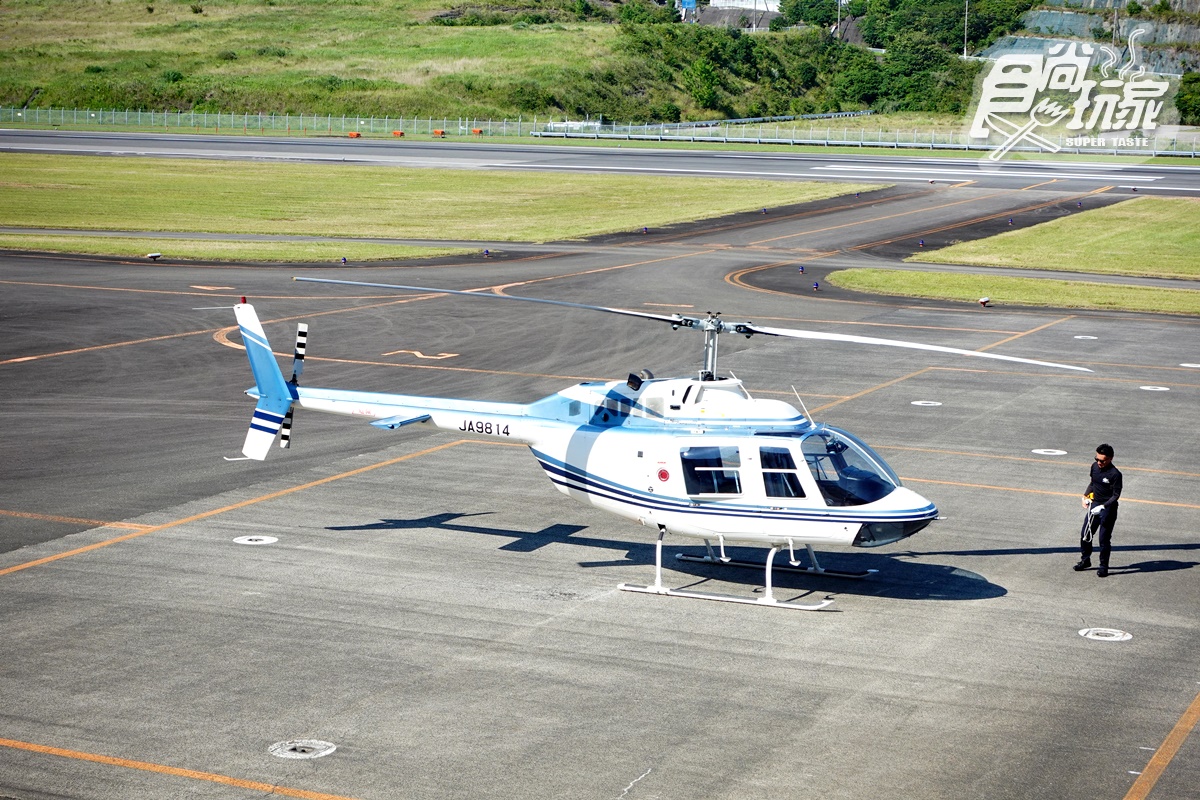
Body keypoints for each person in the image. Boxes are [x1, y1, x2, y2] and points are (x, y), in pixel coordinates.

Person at [1074, 444, 1122, 577]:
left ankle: (1103, 566)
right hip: (1094, 505)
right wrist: (1085, 496)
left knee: (1104, 539)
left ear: (1110, 459)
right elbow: (1093, 483)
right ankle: (1085, 560)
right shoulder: (1094, 467)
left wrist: (1103, 506)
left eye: (1102, 460)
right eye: (1097, 459)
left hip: (1108, 509)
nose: (1099, 463)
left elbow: (1116, 495)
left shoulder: (1115, 474)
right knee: (1086, 534)